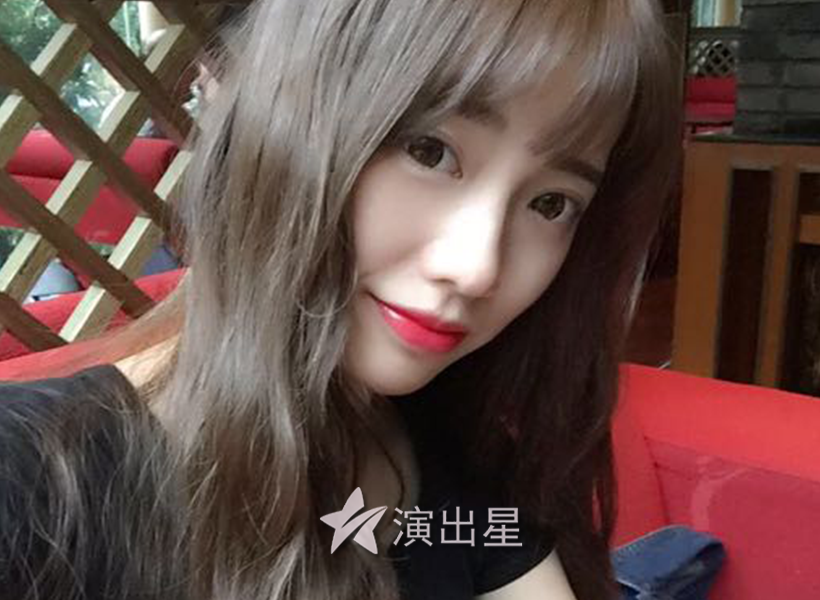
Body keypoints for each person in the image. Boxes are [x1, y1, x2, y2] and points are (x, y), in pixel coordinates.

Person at [0, 1, 681, 599]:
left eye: (551, 203)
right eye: (429, 151)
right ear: (251, 112)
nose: (477, 268)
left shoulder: (449, 472)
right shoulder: (33, 483)